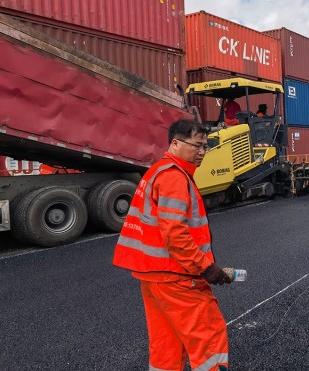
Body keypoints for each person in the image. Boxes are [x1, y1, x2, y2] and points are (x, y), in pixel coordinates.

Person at [113, 119, 231, 371]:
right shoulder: (174, 178)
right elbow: (175, 233)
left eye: (205, 146)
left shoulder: (158, 170)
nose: (201, 152)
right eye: (197, 146)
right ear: (175, 144)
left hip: (154, 276)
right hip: (177, 277)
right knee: (208, 338)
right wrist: (206, 268)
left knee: (166, 345)